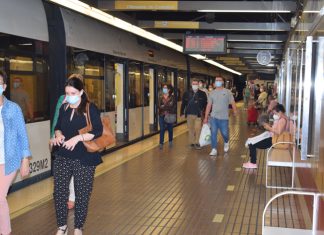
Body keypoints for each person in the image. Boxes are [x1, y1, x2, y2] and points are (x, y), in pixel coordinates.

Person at [52, 76, 103, 235]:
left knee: (82, 194)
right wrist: (58, 135)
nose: (69, 96)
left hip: (84, 157)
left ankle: (78, 227)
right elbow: (58, 126)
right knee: (59, 193)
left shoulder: (90, 108)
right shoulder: (64, 107)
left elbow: (97, 131)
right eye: (67, 93)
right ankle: (62, 226)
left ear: (81, 92)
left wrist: (77, 138)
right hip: (63, 155)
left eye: (73, 93)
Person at [0, 70, 31, 235]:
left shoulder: (13, 109)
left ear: (4, 86)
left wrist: (25, 158)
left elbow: (22, 134)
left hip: (8, 161)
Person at [50, 74, 84, 210]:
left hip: (79, 143)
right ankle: (61, 194)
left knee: (76, 172)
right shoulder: (62, 99)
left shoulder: (85, 102)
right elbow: (57, 117)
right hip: (62, 139)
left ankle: (72, 197)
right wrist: (54, 134)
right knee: (63, 170)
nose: (70, 95)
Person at [243, 104, 289, 169]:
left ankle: (253, 163)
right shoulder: (283, 118)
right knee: (252, 142)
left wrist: (269, 128)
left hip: (273, 140)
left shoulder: (282, 120)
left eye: (275, 113)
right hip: (273, 138)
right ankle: (252, 161)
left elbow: (278, 132)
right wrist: (269, 127)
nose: (275, 115)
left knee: (252, 144)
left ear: (280, 112)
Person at [203, 76, 237, 156]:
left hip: (224, 118)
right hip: (214, 117)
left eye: (219, 80)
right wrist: (206, 117)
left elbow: (232, 102)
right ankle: (214, 149)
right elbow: (209, 105)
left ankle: (226, 141)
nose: (218, 81)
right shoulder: (212, 93)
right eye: (216, 80)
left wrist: (235, 110)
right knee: (213, 133)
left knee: (225, 133)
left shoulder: (227, 92)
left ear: (222, 82)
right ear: (215, 82)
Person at [180, 79, 207, 150]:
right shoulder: (186, 93)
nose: (194, 85)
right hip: (189, 114)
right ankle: (191, 142)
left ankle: (197, 143)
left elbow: (205, 104)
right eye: (193, 84)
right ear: (191, 85)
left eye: (196, 84)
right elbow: (183, 104)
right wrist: (182, 112)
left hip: (198, 114)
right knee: (191, 129)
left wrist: (207, 114)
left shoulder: (202, 94)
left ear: (198, 85)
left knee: (198, 129)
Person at [158, 84, 176, 149]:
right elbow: (159, 106)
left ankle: (170, 141)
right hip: (161, 115)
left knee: (170, 129)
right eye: (163, 88)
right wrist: (166, 106)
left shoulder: (172, 97)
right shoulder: (160, 97)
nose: (164, 89)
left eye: (165, 88)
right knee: (162, 129)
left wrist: (164, 106)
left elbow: (172, 106)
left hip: (169, 115)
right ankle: (161, 143)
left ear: (169, 90)